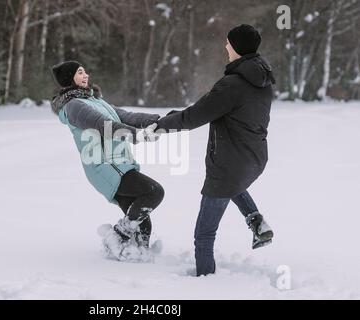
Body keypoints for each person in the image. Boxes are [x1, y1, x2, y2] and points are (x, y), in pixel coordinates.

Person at [155, 24, 275, 276]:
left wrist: (160, 126)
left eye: (228, 42)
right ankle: (256, 221)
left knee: (204, 233)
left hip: (230, 164)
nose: (225, 46)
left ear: (238, 48)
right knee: (234, 184)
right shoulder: (263, 80)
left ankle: (206, 281)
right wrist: (175, 116)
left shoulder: (233, 84)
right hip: (254, 158)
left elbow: (194, 116)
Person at [50, 61, 164, 261]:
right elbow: (103, 125)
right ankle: (118, 235)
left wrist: (157, 120)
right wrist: (138, 135)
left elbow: (126, 116)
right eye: (79, 72)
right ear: (69, 78)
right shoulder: (74, 106)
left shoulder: (97, 101)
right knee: (154, 192)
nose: (86, 74)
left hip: (121, 163)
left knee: (142, 221)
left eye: (85, 71)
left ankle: (137, 254)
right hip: (105, 166)